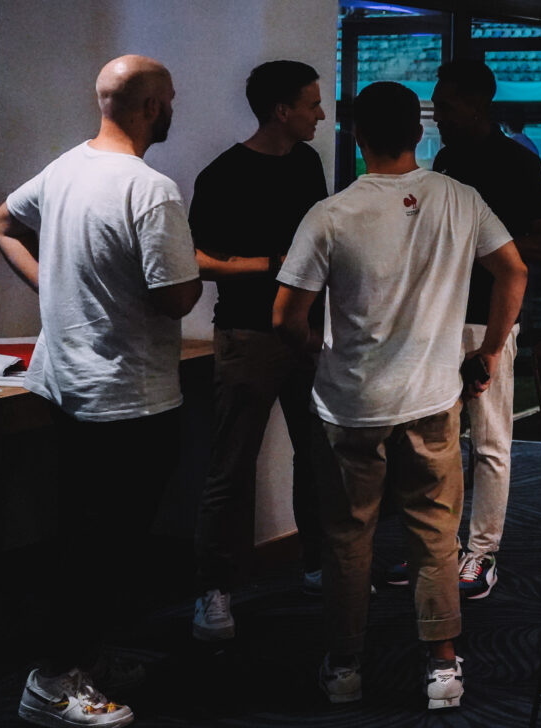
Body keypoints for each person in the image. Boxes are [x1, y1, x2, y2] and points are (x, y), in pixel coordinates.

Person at [274, 80, 526, 712]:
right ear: (420, 132)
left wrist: (317, 355)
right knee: (436, 535)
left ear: (356, 135)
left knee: (346, 538)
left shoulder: (331, 214)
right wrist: (490, 350)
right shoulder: (460, 199)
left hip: (349, 405)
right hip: (432, 400)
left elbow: (286, 317)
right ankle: (442, 667)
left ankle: (344, 667)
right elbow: (514, 271)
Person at [0, 55, 203, 728]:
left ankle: (83, 658)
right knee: (104, 547)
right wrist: (204, 270)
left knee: (86, 535)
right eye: (170, 99)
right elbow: (175, 298)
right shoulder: (151, 189)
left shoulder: (65, 168)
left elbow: (0, 224)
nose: (173, 108)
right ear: (151, 108)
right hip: (130, 396)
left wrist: (52, 286)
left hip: (68, 388)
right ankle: (53, 682)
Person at [189, 60, 331, 645]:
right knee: (232, 465)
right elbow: (196, 260)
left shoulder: (308, 163)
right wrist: (271, 266)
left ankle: (319, 564)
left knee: (318, 456)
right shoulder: (223, 174)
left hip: (307, 333)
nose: (321, 113)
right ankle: (214, 589)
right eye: (312, 104)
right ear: (282, 110)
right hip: (248, 335)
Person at [426, 58, 541, 599]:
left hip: (492, 318)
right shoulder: (444, 160)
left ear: (477, 104)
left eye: (446, 106)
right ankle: (442, 546)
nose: (438, 116)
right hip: (441, 315)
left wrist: (481, 247)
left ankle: (482, 552)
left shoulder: (517, 162)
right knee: (438, 441)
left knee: (490, 441)